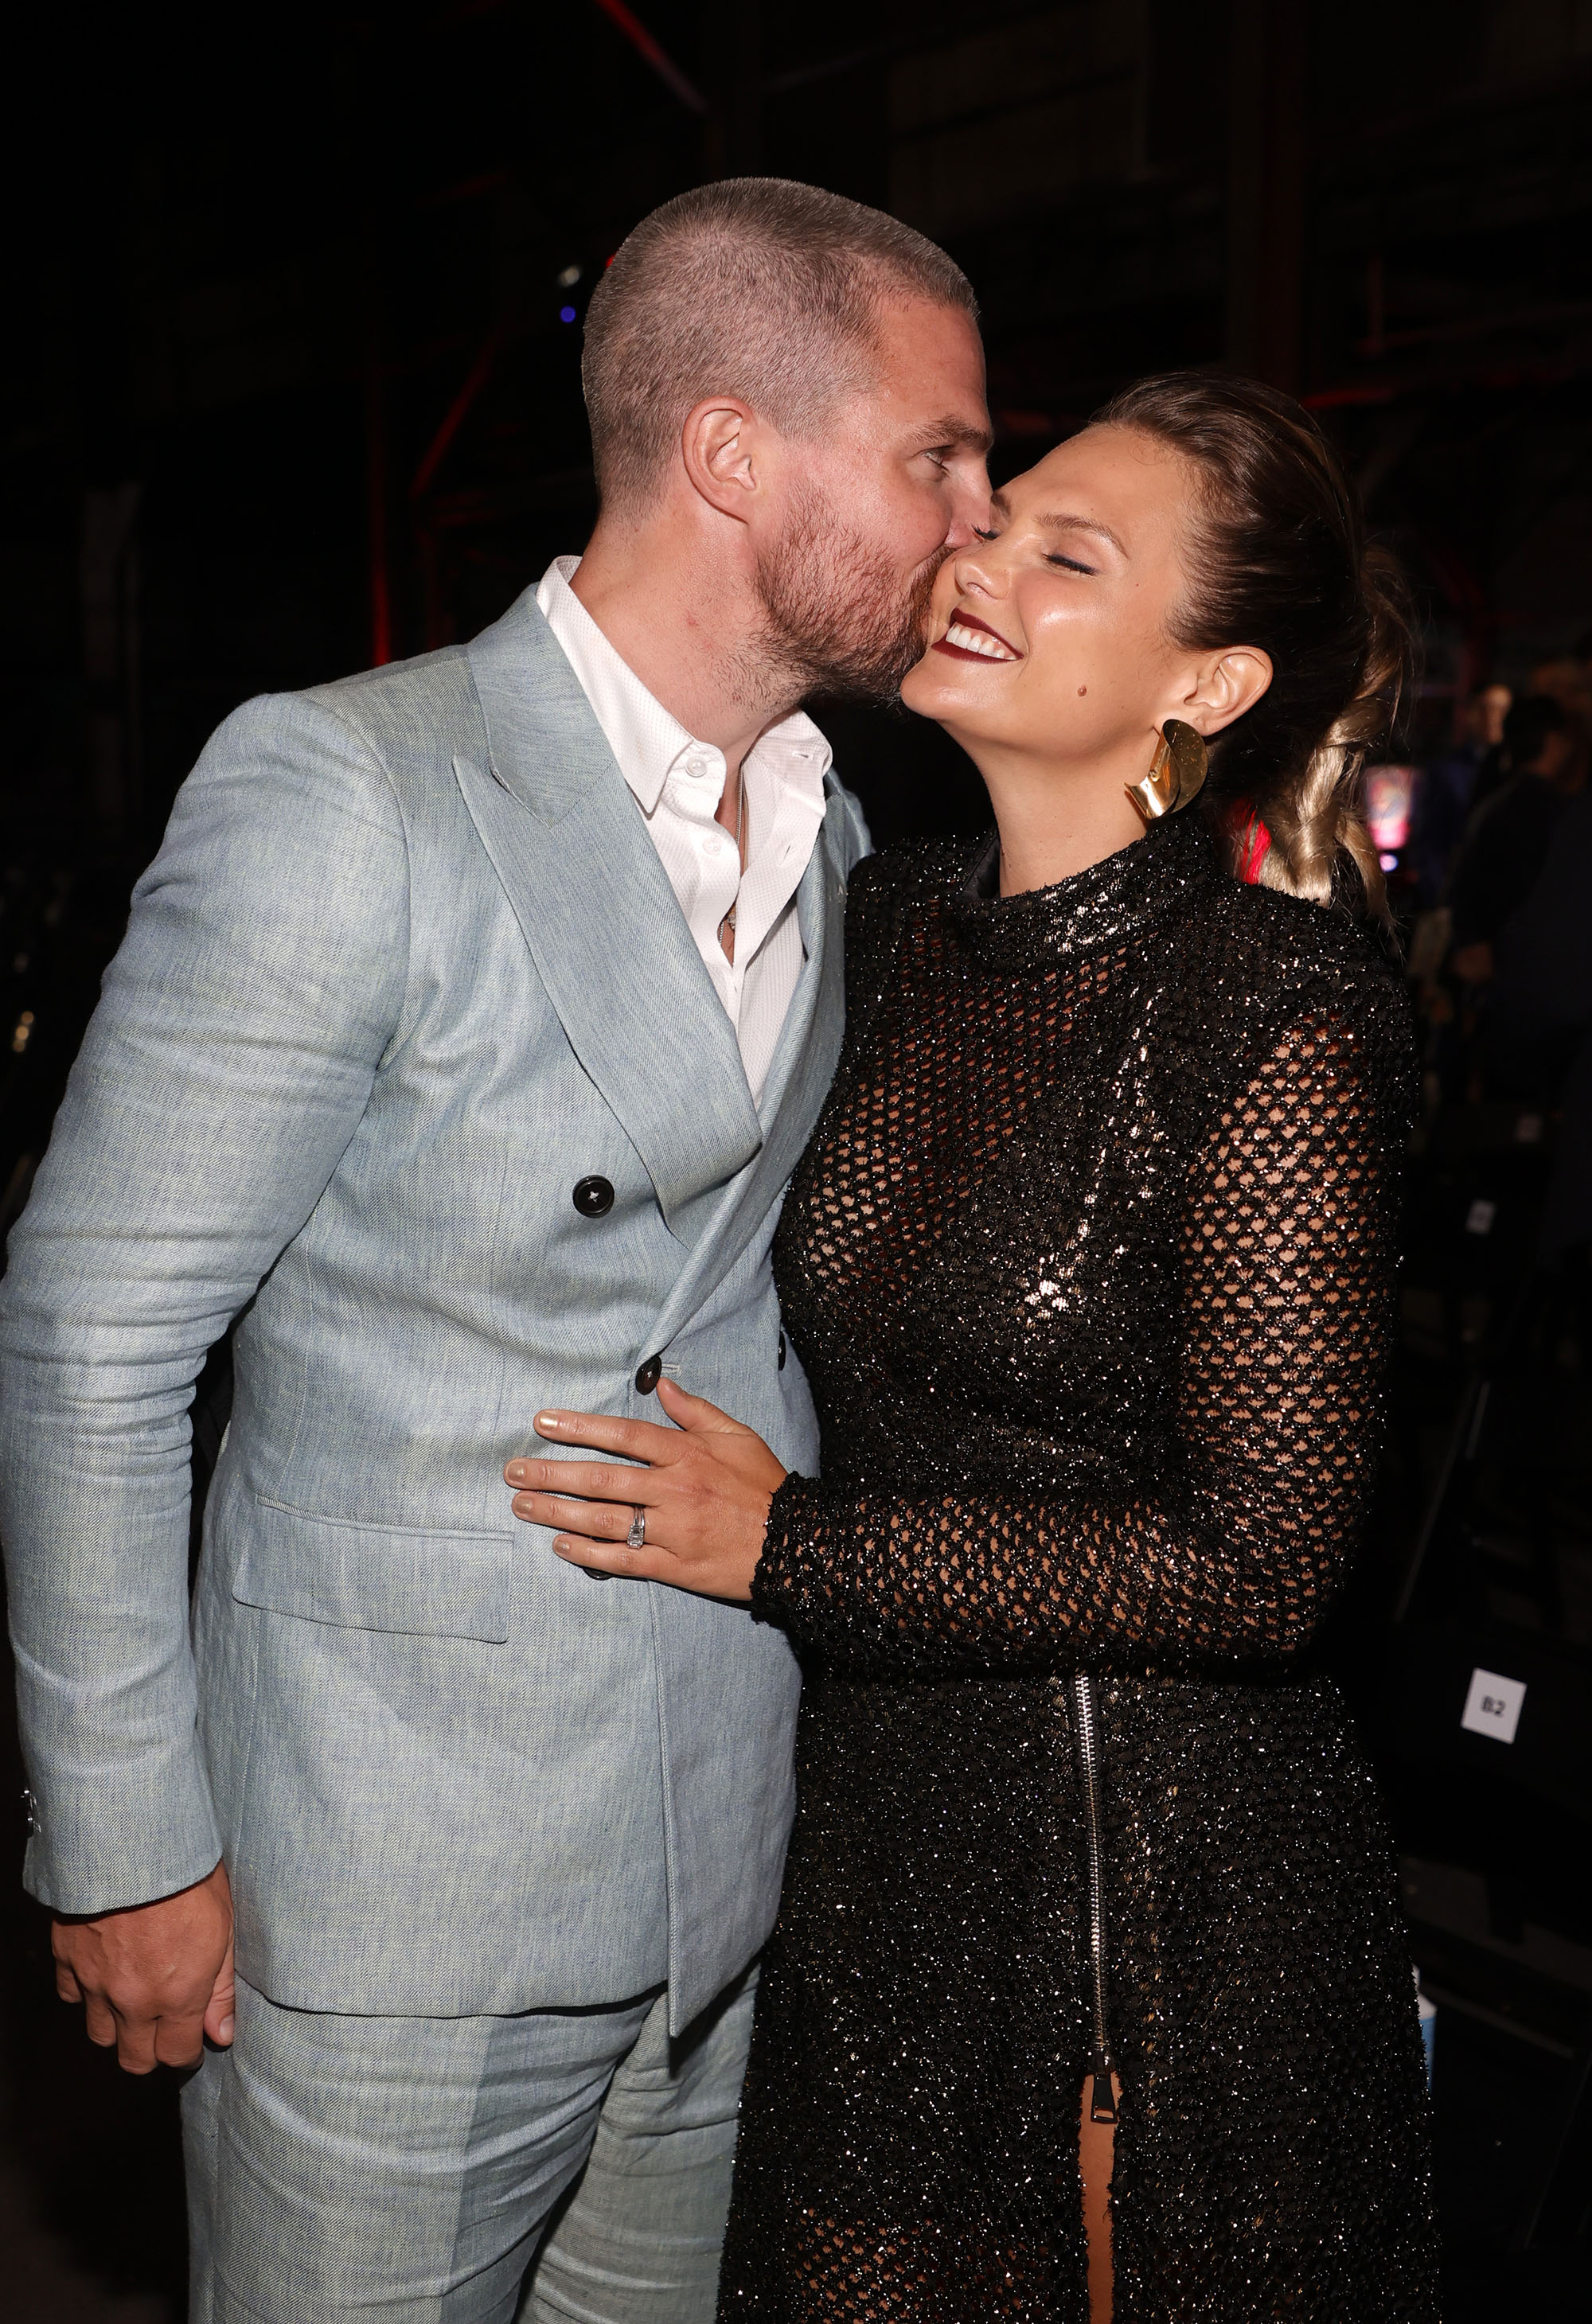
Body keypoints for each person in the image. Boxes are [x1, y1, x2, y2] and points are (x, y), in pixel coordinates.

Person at [0, 179, 993, 2322]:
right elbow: (92, 1344)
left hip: (709, 1853)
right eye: (940, 453)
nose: (974, 517)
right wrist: (126, 1844)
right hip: (386, 1887)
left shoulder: (830, 814)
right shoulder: (350, 790)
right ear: (735, 452)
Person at [507, 374, 1442, 2319]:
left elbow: (1262, 1562)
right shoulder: (889, 917)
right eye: (993, 516)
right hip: (868, 1855)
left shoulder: (1266, 1015)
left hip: (1144, 1902)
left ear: (1204, 686)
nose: (978, 562)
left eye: (1064, 556)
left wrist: (790, 1548)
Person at [1449, 691, 1588, 996]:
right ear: (1553, 741)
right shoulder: (1557, 814)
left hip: (1490, 966)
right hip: (1531, 973)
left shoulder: (1493, 803)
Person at [1407, 677, 1509, 905]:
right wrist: (1439, 895)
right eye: (1487, 709)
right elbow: (1430, 840)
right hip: (1456, 897)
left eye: (1503, 710)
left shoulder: (1517, 771)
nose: (1494, 718)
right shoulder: (1447, 771)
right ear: (1471, 714)